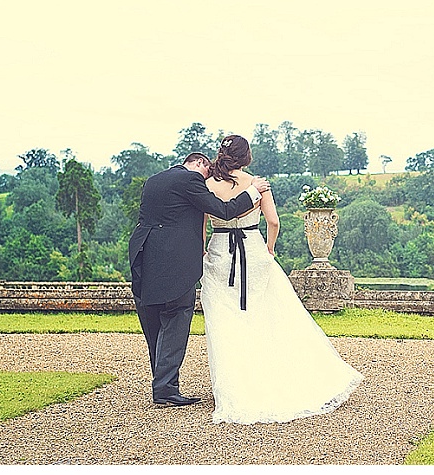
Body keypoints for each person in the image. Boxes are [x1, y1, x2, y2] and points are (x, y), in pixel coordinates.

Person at [201, 135, 363, 424]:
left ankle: (233, 387)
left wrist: (204, 250)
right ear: (246, 157)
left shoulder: (208, 185)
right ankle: (272, 374)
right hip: (252, 249)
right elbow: (274, 222)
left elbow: (202, 226)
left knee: (224, 320)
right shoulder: (257, 183)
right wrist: (270, 248)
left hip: (219, 254)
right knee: (266, 316)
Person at [128, 152, 270, 407]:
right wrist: (253, 192)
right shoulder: (190, 180)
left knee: (153, 322)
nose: (208, 180)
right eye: (207, 173)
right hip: (176, 263)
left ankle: (163, 384)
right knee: (176, 317)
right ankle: (165, 390)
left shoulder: (154, 180)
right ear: (199, 164)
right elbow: (223, 211)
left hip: (145, 256)